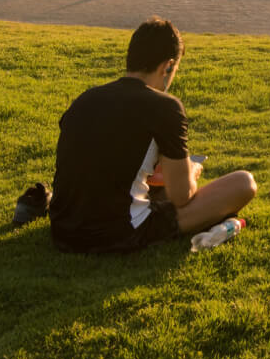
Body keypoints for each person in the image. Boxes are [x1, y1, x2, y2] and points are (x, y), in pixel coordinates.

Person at [50, 18, 258, 254]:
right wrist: (191, 170)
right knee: (244, 183)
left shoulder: (85, 99)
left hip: (63, 229)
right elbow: (182, 196)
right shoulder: (165, 106)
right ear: (168, 66)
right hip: (117, 234)